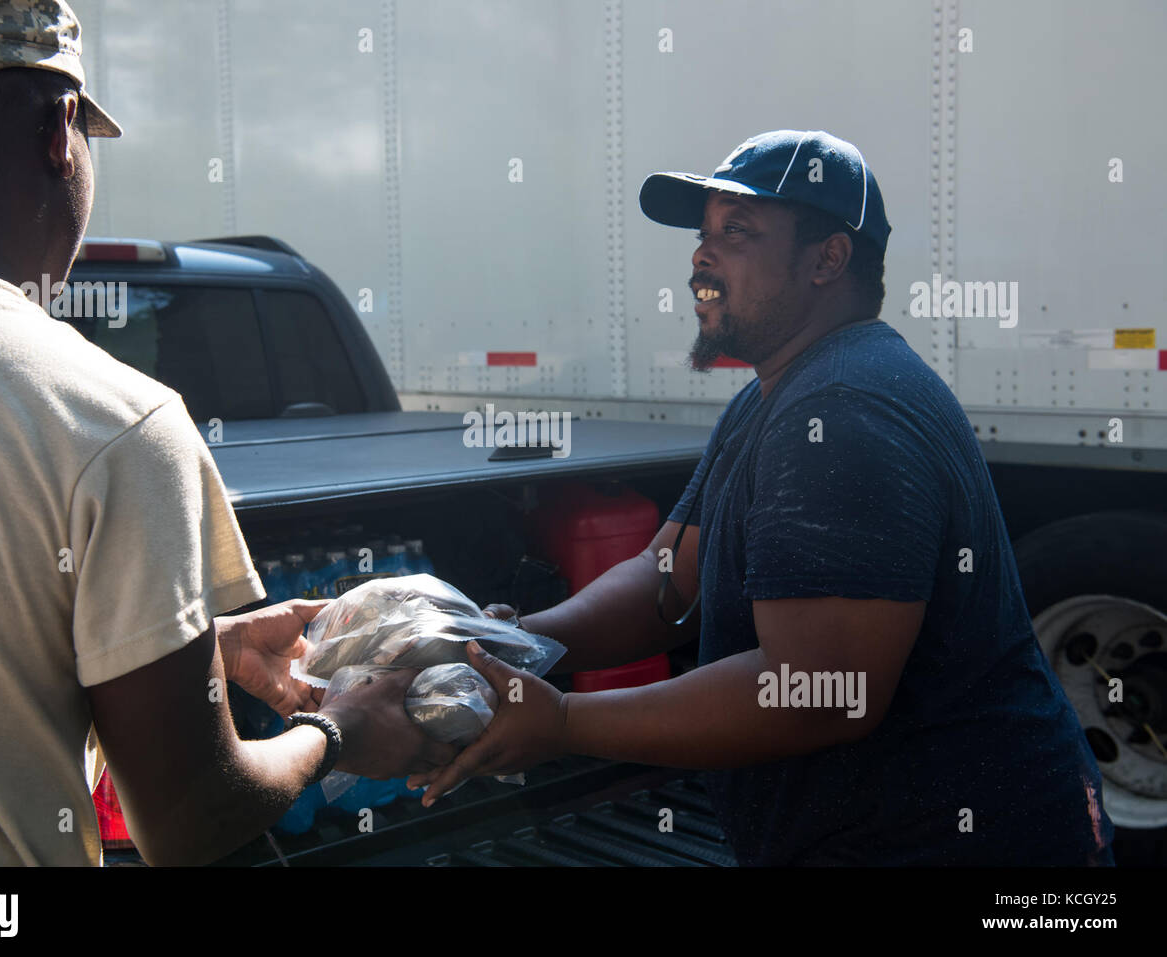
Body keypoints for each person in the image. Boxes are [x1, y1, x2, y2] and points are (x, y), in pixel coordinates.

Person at [413, 130, 1116, 866]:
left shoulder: (848, 408)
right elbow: (668, 577)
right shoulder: (777, 394)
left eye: (737, 231)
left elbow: (819, 691)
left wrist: (562, 722)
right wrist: (519, 641)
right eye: (704, 233)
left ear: (828, 258)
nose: (700, 256)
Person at [0, 0, 451, 867]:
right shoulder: (113, 421)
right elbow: (188, 817)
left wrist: (191, 655)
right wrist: (340, 729)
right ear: (62, 130)